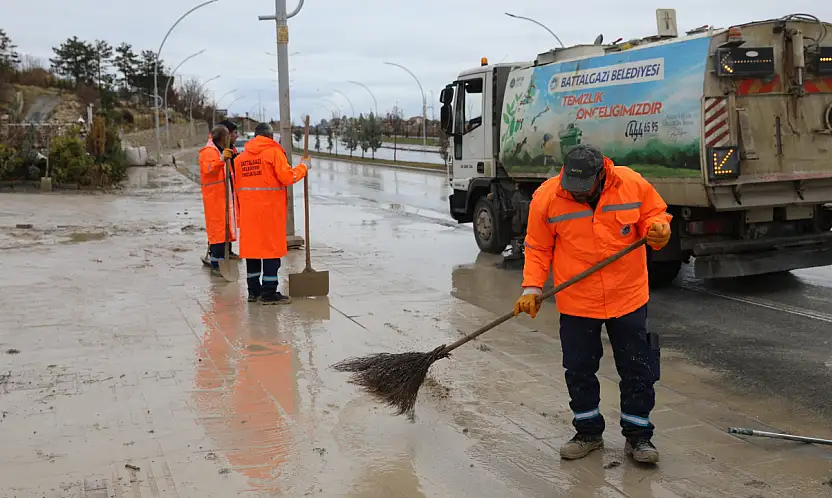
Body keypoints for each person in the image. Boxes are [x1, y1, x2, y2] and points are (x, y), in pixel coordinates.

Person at [513, 144, 671, 464]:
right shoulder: (547, 197)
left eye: (585, 189)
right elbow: (538, 247)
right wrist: (531, 288)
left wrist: (659, 229)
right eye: (574, 189)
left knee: (637, 368)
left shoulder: (631, 183)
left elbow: (654, 214)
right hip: (577, 301)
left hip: (627, 295)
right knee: (579, 369)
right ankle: (588, 432)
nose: (580, 195)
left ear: (601, 175)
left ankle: (639, 436)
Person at [233, 122, 310, 304]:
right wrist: (303, 168)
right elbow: (286, 177)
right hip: (269, 211)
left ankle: (253, 292)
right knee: (270, 252)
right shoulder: (274, 152)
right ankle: (269, 293)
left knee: (252, 251)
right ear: (270, 136)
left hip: (247, 211)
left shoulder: (240, 158)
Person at [198, 125, 237, 274]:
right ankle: (217, 264)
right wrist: (222, 159)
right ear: (222, 137)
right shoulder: (208, 152)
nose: (230, 137)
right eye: (227, 135)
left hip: (225, 197)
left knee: (225, 230)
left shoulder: (224, 150)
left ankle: (220, 261)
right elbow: (210, 169)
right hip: (215, 198)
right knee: (218, 231)